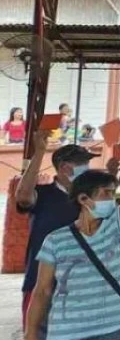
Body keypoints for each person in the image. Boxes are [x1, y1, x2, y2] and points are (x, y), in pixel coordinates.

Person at [21, 138, 120, 340]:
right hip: (67, 329)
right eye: (106, 194)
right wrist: (31, 335)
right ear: (83, 199)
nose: (112, 200)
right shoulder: (56, 240)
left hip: (112, 324)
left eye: (113, 193)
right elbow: (42, 291)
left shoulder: (117, 228)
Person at [14, 129, 83, 328]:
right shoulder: (43, 194)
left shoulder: (86, 199)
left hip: (76, 285)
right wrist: (39, 153)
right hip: (40, 283)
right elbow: (24, 196)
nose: (86, 168)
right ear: (63, 168)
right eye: (81, 164)